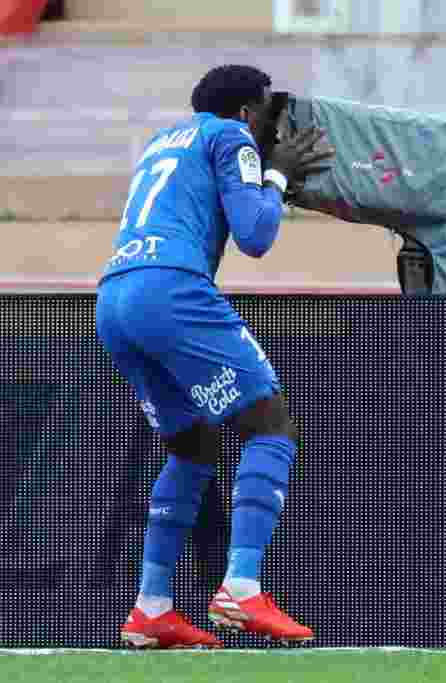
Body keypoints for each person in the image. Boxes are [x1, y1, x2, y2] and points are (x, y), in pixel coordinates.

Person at [95, 64, 334, 649]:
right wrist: (275, 176)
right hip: (172, 291)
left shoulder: (161, 142)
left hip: (113, 298)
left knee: (194, 448)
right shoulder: (230, 135)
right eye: (265, 114)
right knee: (269, 425)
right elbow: (254, 235)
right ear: (248, 112)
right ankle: (242, 587)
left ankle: (152, 609)